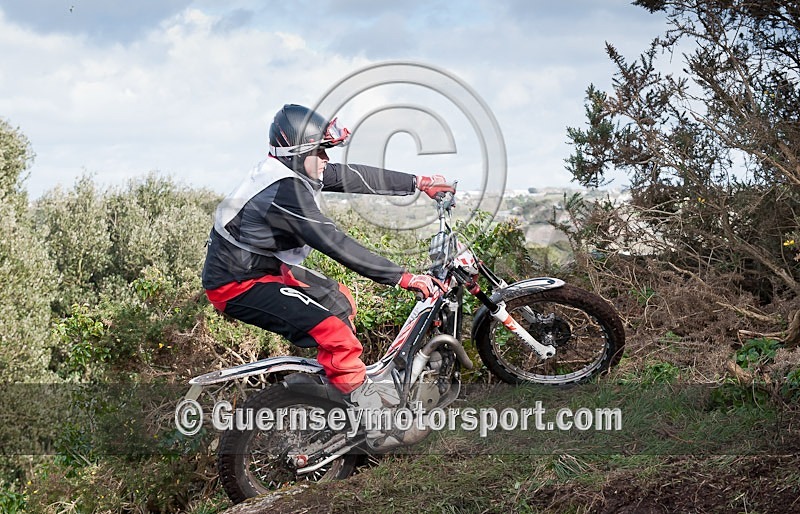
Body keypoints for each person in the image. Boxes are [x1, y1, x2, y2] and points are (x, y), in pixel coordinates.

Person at [201, 104, 454, 410]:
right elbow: (335, 243)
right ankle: (366, 412)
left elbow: (351, 176)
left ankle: (338, 390)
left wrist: (419, 182)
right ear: (298, 154)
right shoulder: (284, 192)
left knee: (340, 301)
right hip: (237, 284)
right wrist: (402, 277)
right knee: (333, 330)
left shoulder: (291, 168)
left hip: (265, 268)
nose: (326, 159)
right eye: (320, 152)